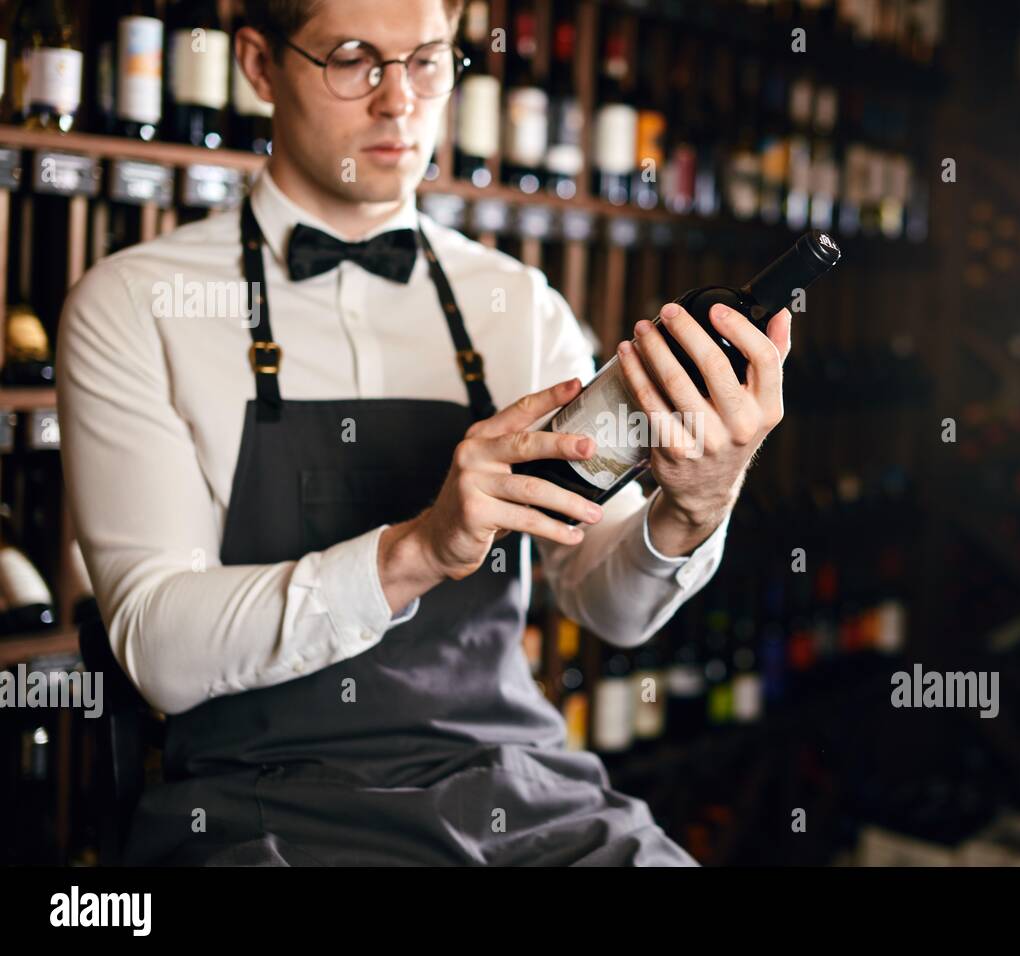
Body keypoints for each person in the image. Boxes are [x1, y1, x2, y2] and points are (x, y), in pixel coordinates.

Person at [57, 0, 792, 866]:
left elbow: (607, 606)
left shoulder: (520, 306)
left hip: (519, 795)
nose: (398, 101)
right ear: (258, 65)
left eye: (429, 61)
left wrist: (695, 507)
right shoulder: (134, 306)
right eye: (353, 59)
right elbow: (157, 647)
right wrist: (417, 550)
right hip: (264, 810)